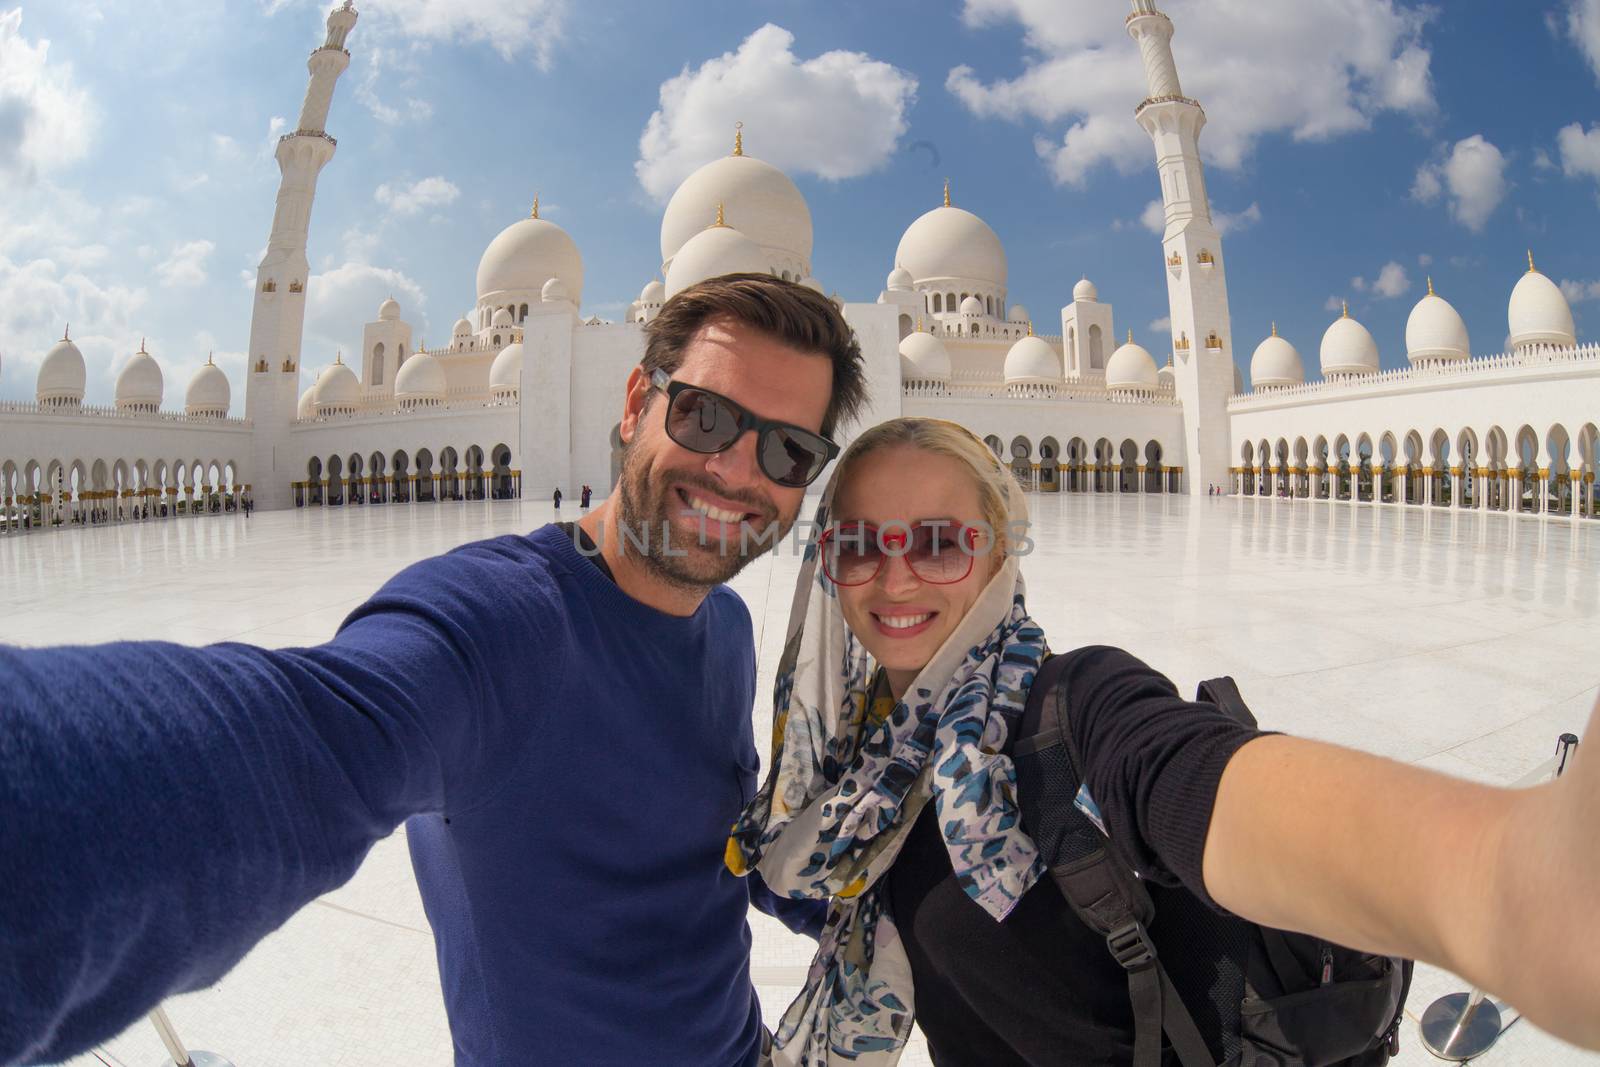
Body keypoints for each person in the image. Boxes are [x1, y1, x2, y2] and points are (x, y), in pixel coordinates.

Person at [0, 274, 868, 1067]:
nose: (736, 469)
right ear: (638, 401)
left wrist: (876, 895)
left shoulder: (724, 627)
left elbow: (723, 846)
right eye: (707, 417)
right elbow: (291, 744)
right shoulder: (501, 625)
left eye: (788, 451)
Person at [728, 417, 1600, 1065]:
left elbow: (1192, 776)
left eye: (939, 542)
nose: (896, 576)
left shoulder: (1079, 702)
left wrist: (1499, 882)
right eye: (858, 545)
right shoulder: (851, 773)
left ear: (999, 556)